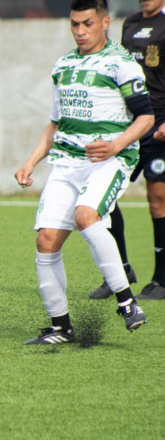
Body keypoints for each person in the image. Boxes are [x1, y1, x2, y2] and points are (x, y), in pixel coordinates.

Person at [14, 0, 153, 344]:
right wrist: (31, 161)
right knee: (45, 241)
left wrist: (116, 145)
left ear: (105, 22)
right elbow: (55, 123)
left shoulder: (121, 64)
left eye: (87, 23)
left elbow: (146, 118)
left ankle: (126, 300)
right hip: (66, 162)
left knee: (86, 216)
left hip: (108, 161)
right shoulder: (63, 65)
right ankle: (61, 328)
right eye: (74, 24)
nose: (80, 31)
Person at [92, 0, 165, 300]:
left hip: (159, 122)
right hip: (129, 123)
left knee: (158, 198)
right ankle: (119, 271)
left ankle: (160, 280)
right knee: (104, 197)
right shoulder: (130, 23)